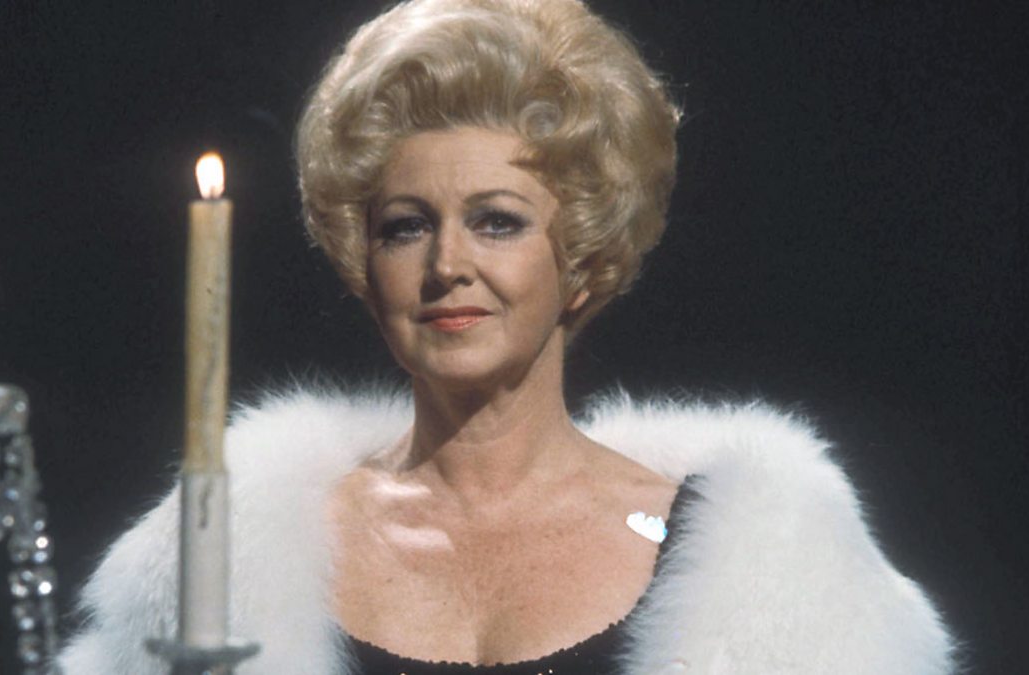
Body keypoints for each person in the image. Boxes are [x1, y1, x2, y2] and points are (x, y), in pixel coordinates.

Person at [59, 0, 955, 672]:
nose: (447, 263)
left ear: (585, 256)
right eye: (406, 226)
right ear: (363, 261)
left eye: (496, 221)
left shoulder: (771, 563)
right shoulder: (224, 557)